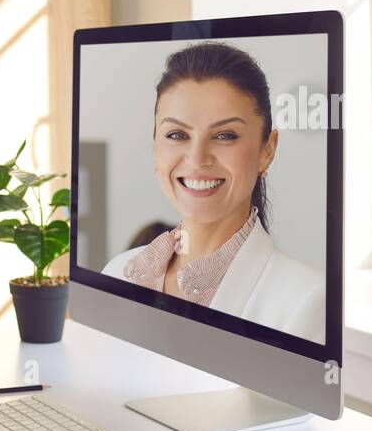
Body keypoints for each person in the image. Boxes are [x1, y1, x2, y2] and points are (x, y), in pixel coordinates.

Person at [103, 42, 324, 341]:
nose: (197, 158)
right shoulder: (117, 274)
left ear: (267, 150)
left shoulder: (306, 302)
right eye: (177, 135)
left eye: (224, 135)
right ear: (156, 146)